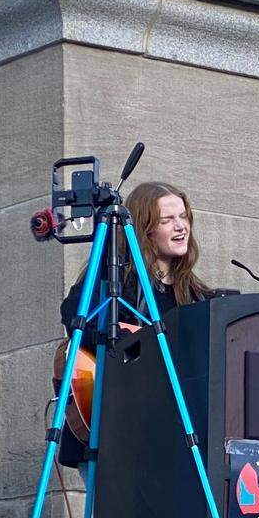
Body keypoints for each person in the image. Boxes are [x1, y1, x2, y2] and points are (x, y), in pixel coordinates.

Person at [57, 182, 210, 468]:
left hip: (165, 434)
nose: (181, 227)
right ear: (145, 229)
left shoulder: (194, 294)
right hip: (112, 426)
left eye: (183, 216)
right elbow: (75, 316)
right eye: (167, 220)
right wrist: (129, 339)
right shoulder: (114, 277)